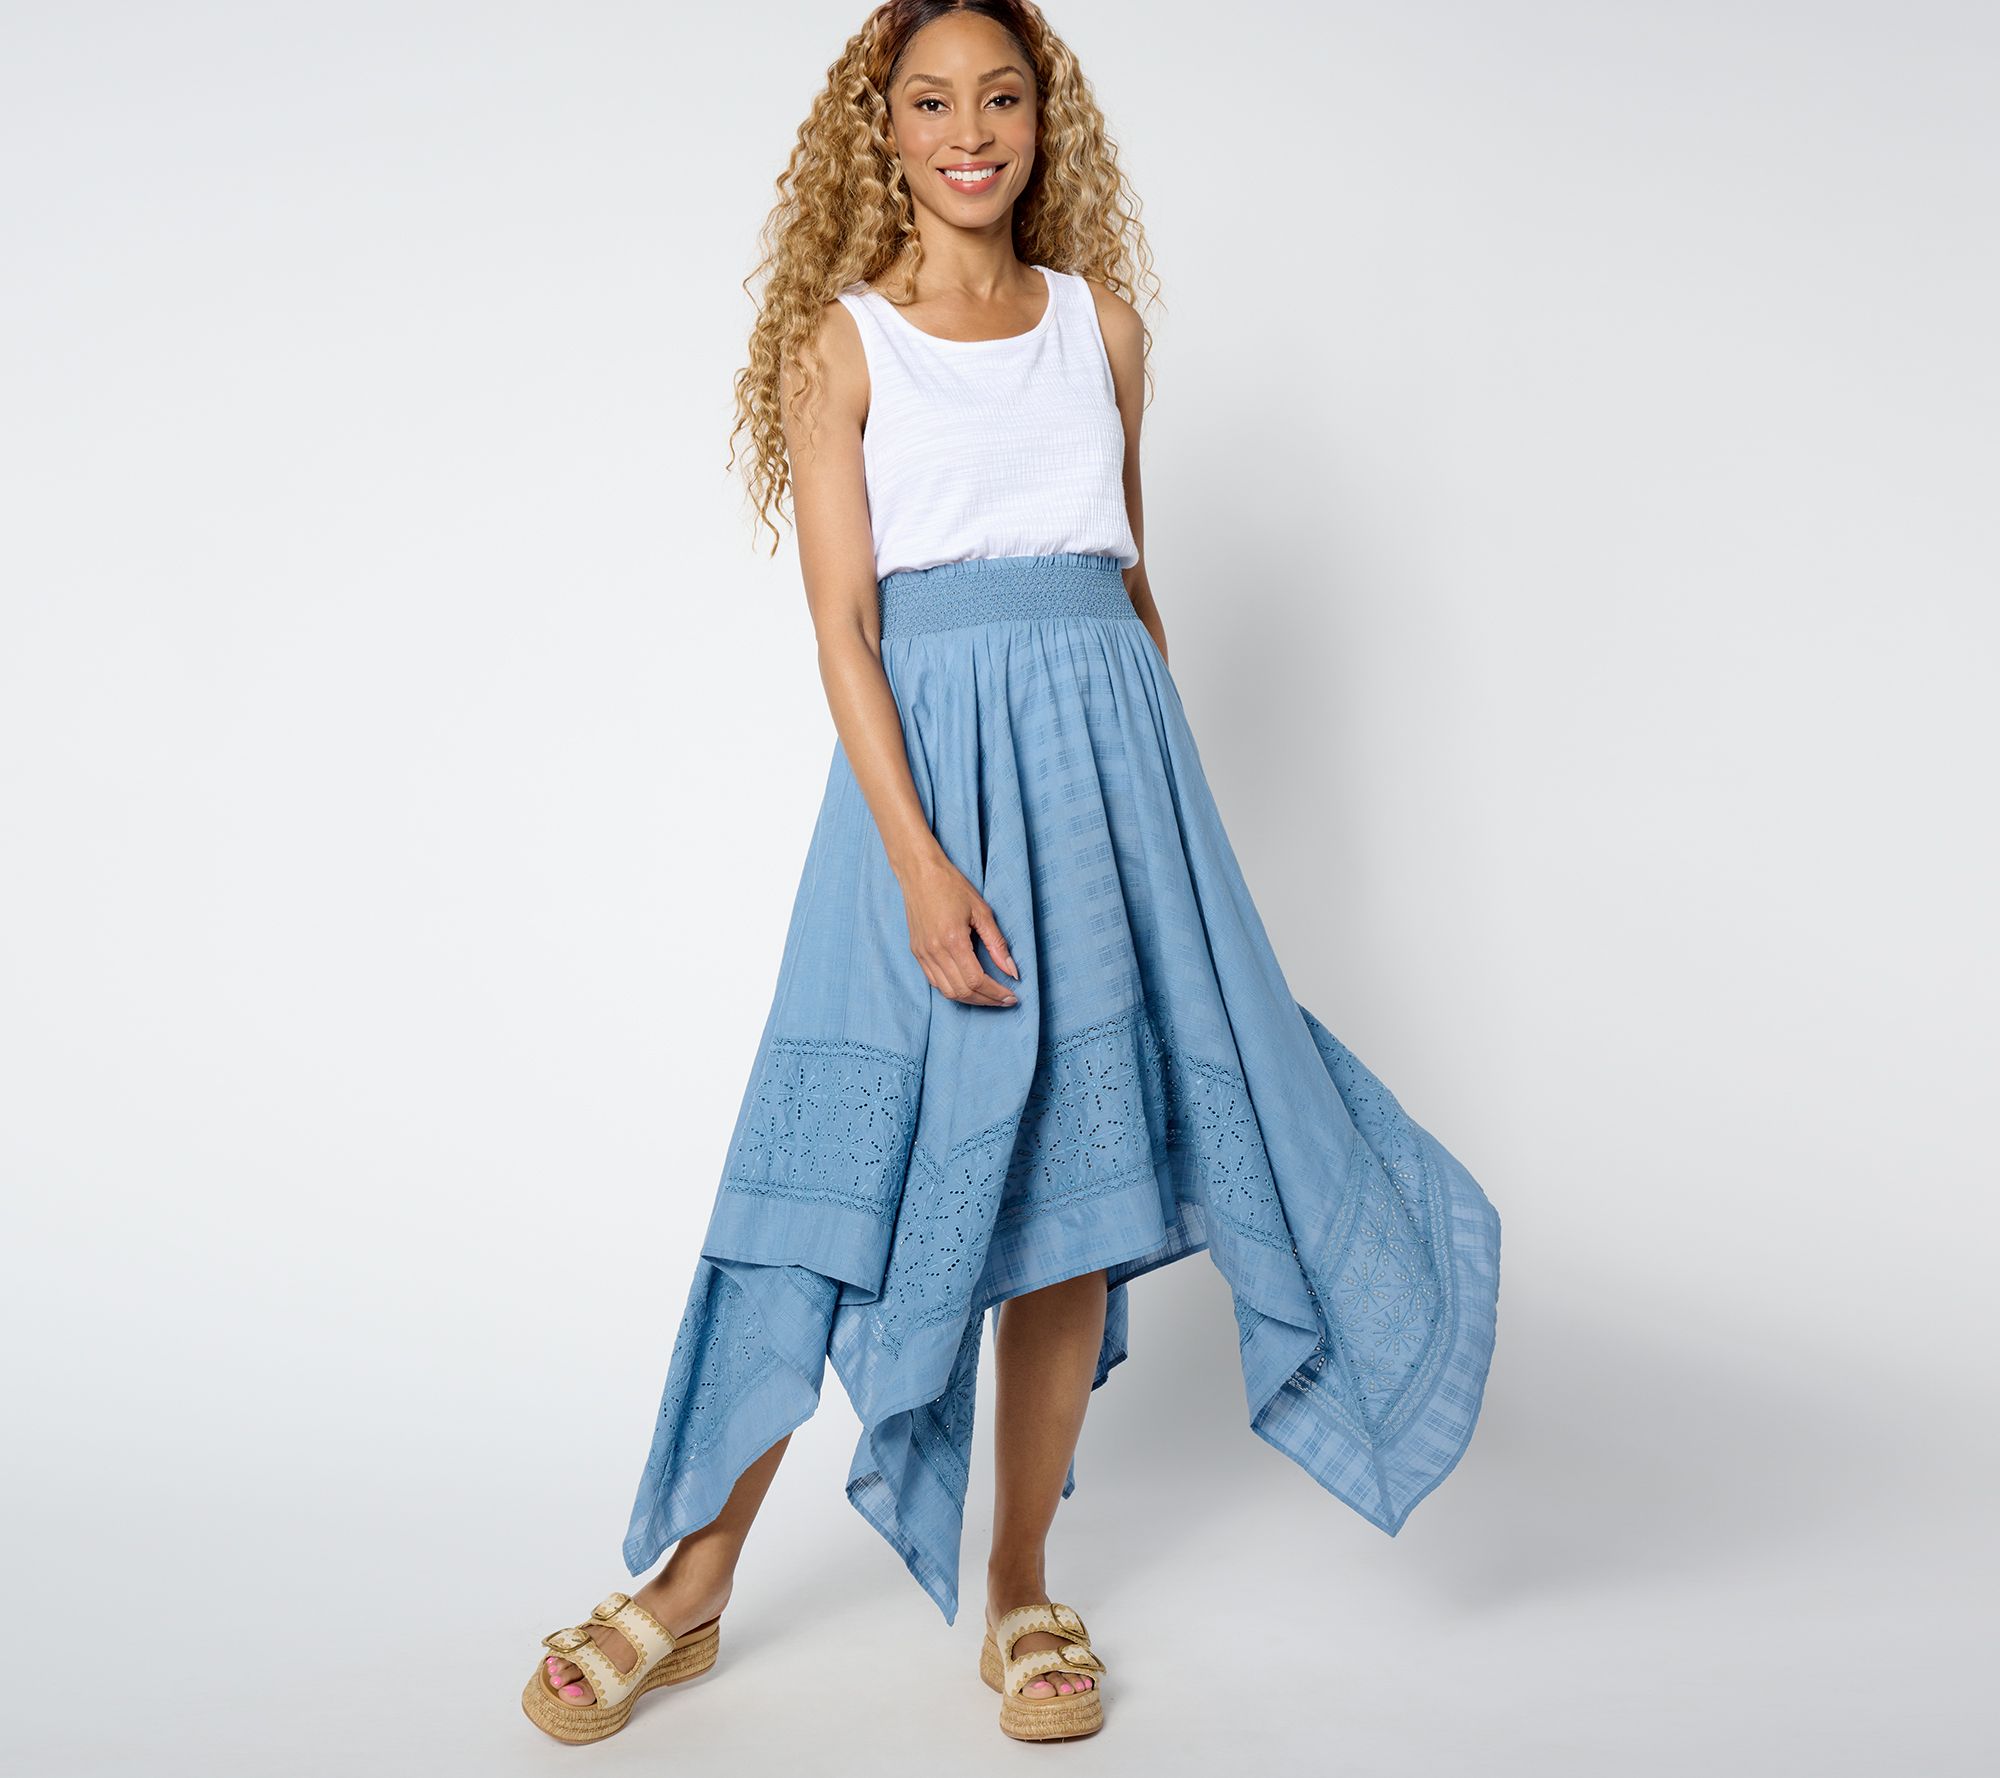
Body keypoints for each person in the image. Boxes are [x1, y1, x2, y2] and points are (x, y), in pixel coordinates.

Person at [521, 0, 1502, 1747]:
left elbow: (1126, 584)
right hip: (926, 800)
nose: (969, 131)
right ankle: (692, 1583)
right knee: (824, 1187)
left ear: (1045, 121)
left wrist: (1157, 833)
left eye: (1001, 97)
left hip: (1110, 788)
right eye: (931, 102)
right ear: (881, 129)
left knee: (1072, 1192)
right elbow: (845, 626)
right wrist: (916, 860)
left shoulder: (1101, 330)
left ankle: (1023, 1583)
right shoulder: (839, 347)